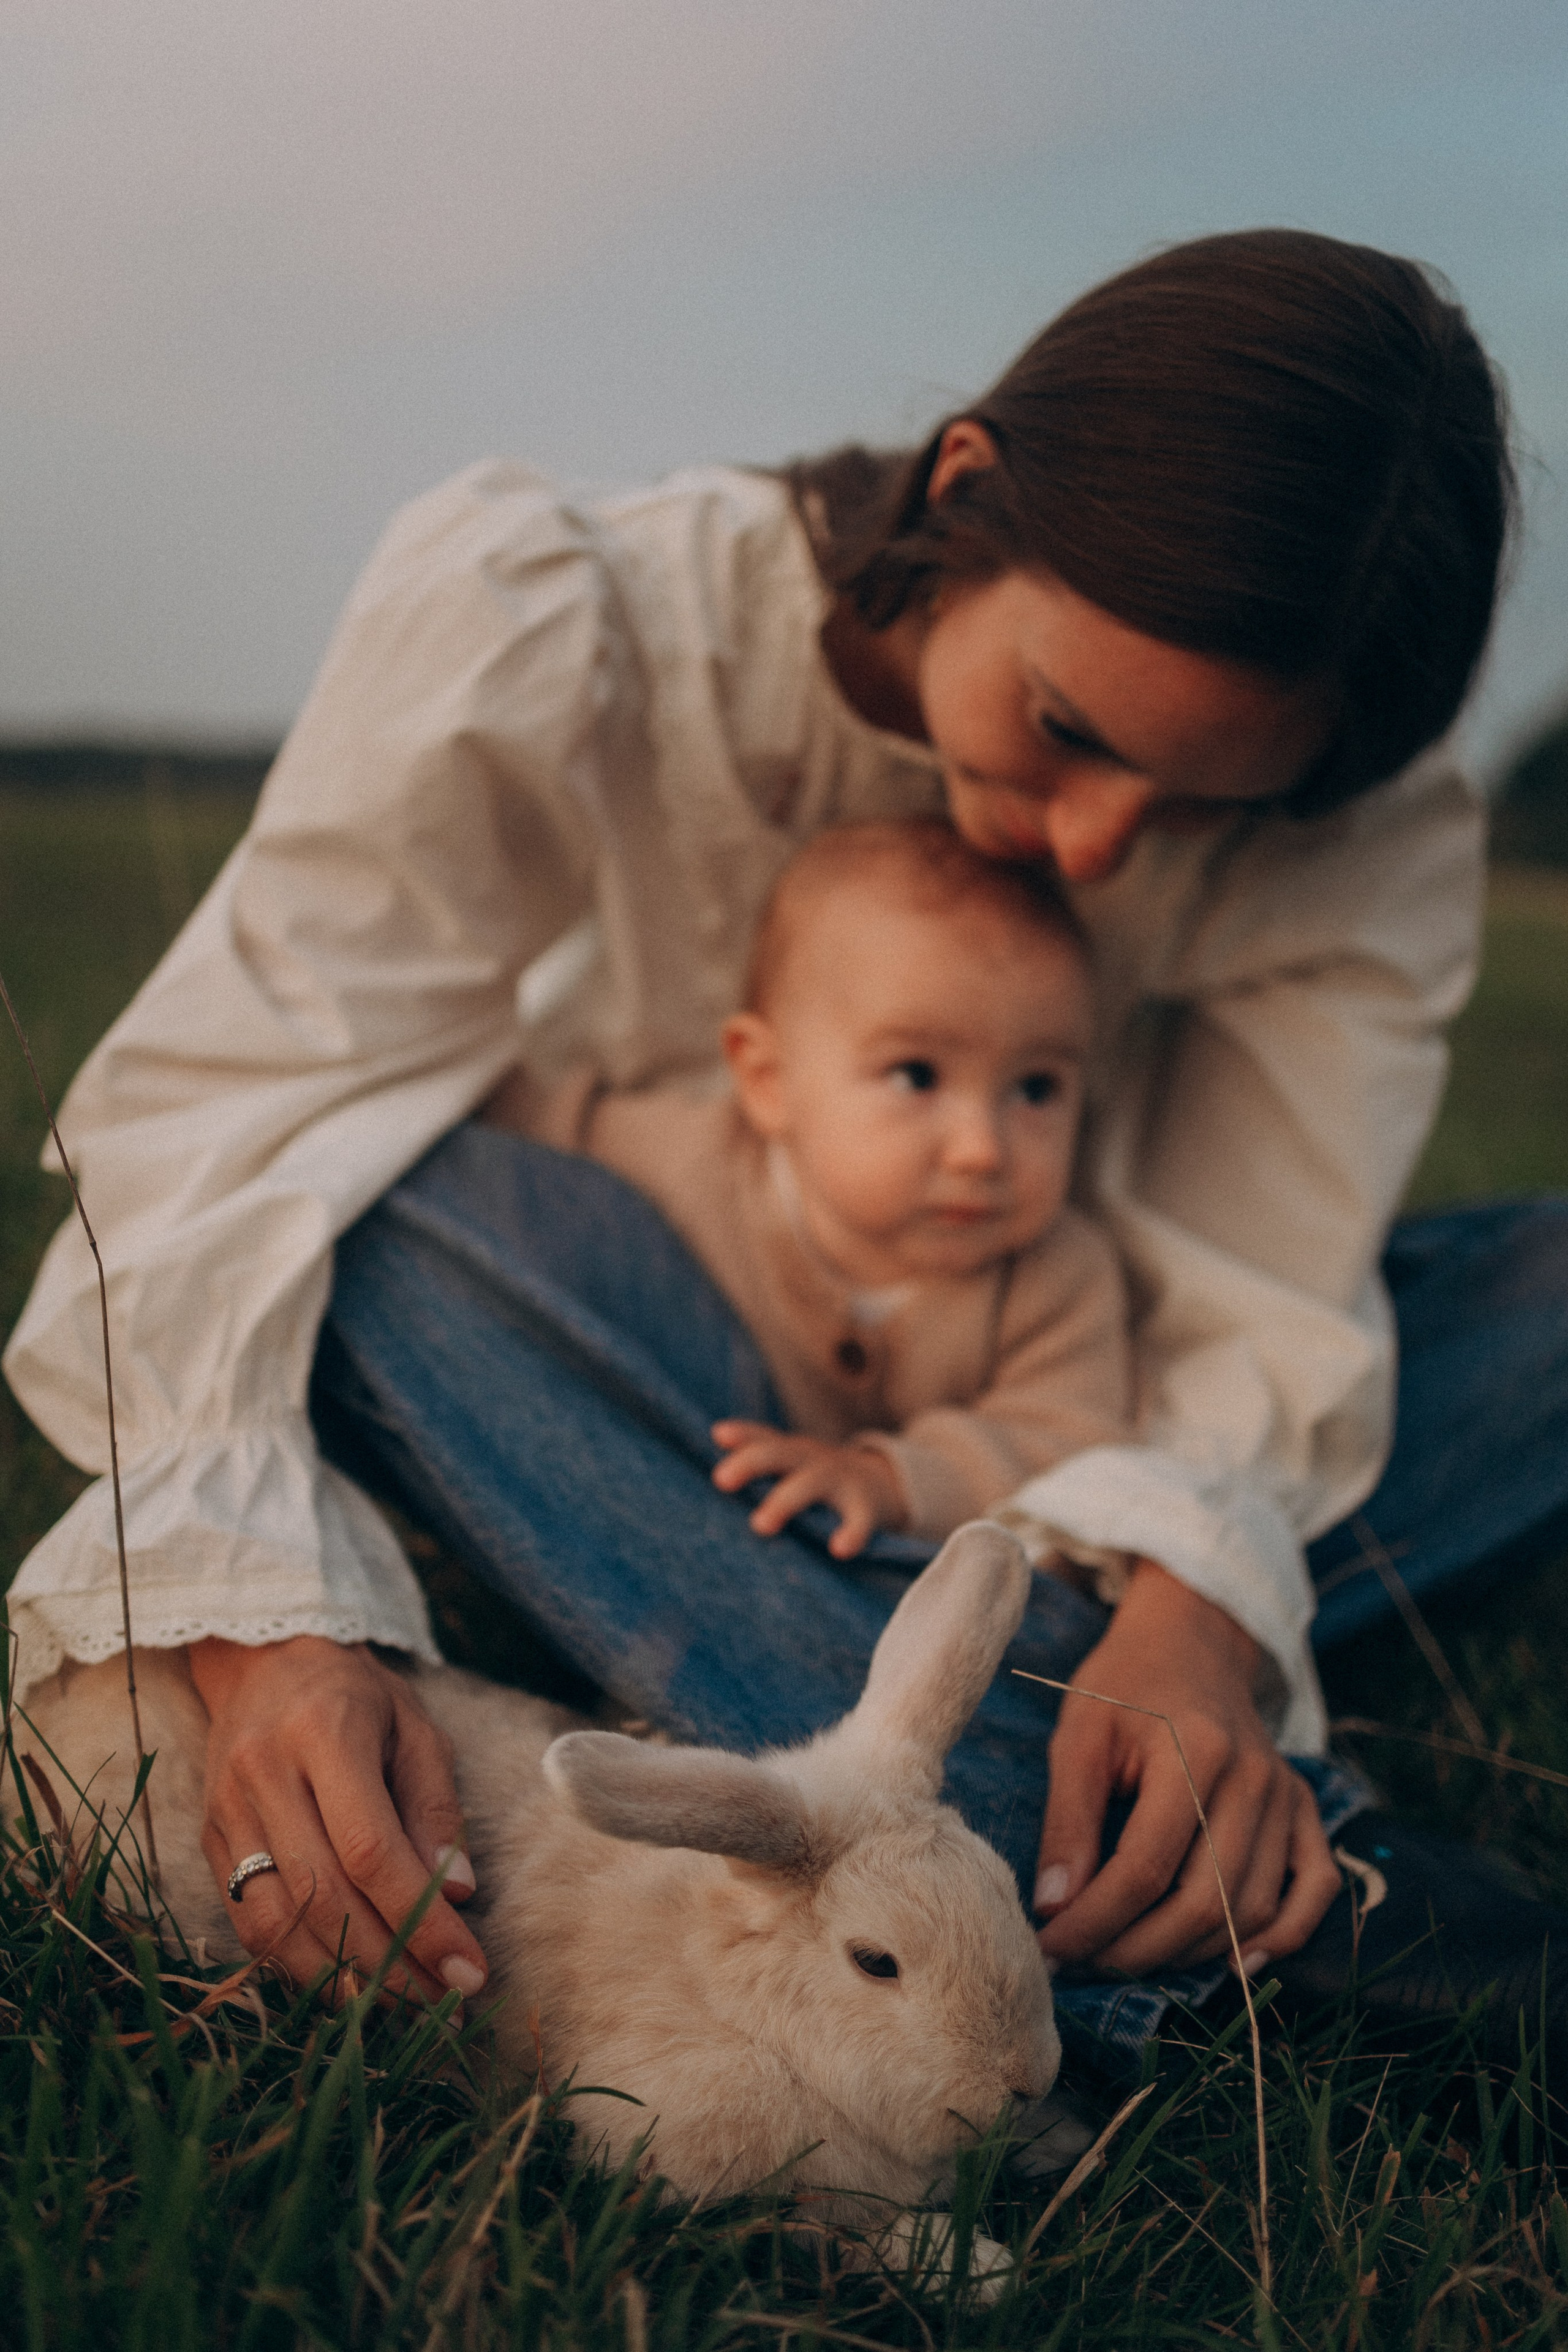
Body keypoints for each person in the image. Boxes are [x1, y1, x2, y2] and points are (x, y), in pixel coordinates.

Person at [7, 228, 1567, 2064]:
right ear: (964, 484)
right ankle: (1260, 1892)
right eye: (1065, 727)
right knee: (397, 1233)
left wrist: (1198, 1604)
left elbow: (1262, 1290)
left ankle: (1012, 1789)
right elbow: (228, 1126)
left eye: (1198, 809)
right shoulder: (565, 616)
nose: (1090, 846)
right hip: (634, 1384)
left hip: (1073, 1385)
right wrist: (266, 1630)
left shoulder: (1353, 820)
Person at [496, 815, 1131, 1556]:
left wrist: (889, 1481)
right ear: (768, 1081)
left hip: (863, 1558)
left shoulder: (1057, 1278)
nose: (981, 1151)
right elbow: (511, 1139)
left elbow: (1062, 1444)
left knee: (1022, 1573)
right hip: (672, 1460)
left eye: (1035, 1088)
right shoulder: (693, 1158)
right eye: (915, 1075)